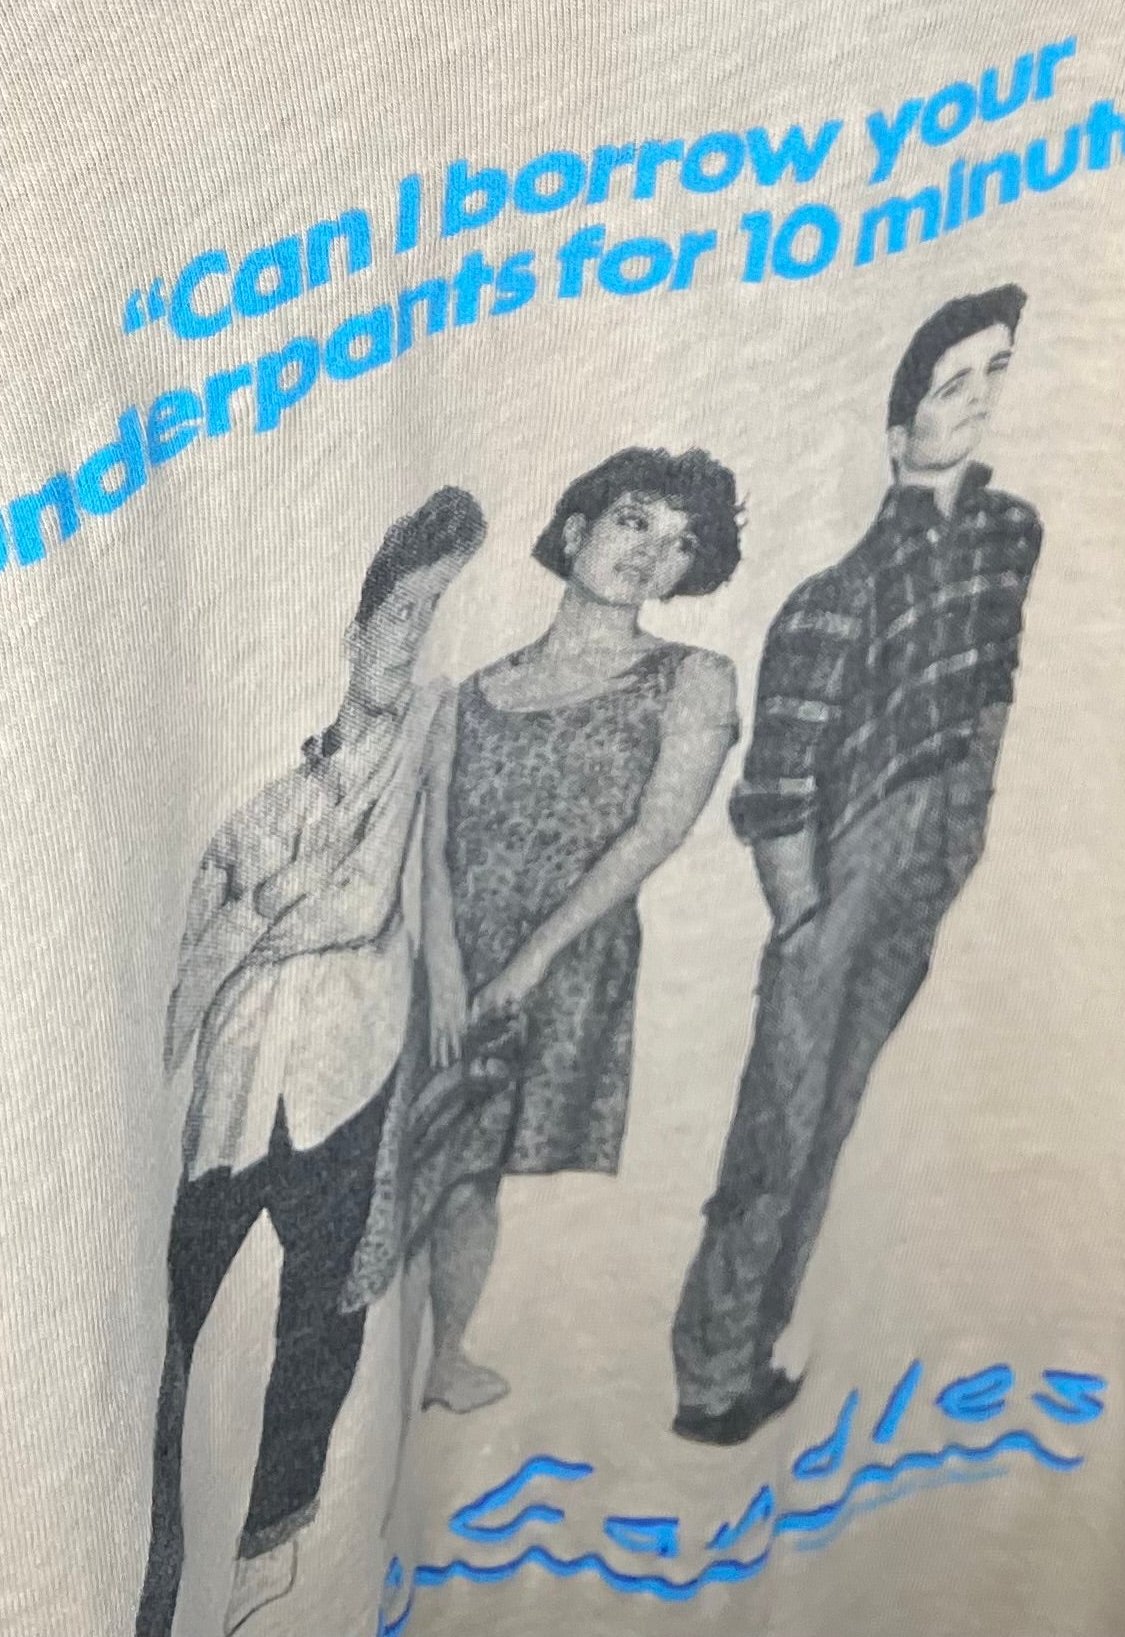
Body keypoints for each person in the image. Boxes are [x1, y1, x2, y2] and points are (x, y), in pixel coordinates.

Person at [669, 290, 1043, 1446]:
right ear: (895, 433)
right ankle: (713, 1375)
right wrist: (802, 920)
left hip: (933, 841)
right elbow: (777, 786)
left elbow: (993, 685)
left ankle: (751, 1349)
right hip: (839, 866)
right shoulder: (833, 599)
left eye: (994, 373)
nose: (977, 401)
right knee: (782, 1129)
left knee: (831, 1119)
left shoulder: (1011, 536)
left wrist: (963, 826)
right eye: (949, 385)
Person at [135, 485, 486, 1637]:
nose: (415, 639)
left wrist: (264, 911)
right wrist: (256, 917)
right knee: (172, 1319)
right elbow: (191, 952)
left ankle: (272, 1548)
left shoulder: (429, 725)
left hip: (345, 1076)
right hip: (239, 1090)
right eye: (401, 615)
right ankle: (153, 1569)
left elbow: (357, 901)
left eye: (434, 614)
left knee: (322, 1318)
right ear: (355, 629)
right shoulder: (272, 799)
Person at [403, 445, 742, 1419]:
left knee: (471, 1169)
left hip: (563, 961)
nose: (650, 552)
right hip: (449, 958)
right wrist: (448, 969)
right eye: (635, 521)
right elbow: (434, 851)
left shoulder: (694, 679)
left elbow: (654, 835)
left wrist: (526, 967)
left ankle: (444, 1358)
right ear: (577, 530)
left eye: (680, 545)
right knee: (420, 1159)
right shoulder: (468, 697)